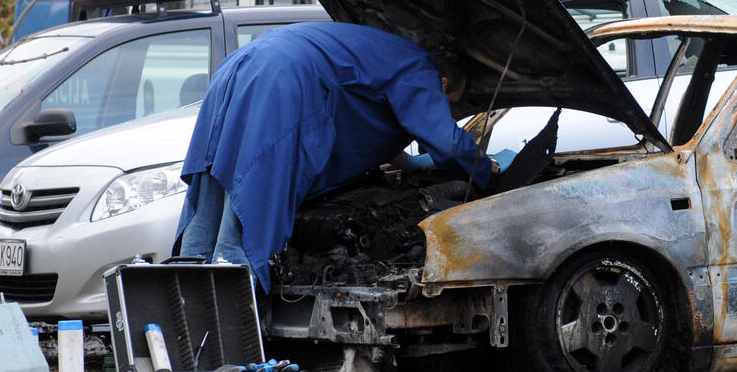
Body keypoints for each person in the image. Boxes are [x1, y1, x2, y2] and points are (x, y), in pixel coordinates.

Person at [175, 21, 508, 293]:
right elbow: (446, 141)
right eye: (449, 102)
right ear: (444, 82)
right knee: (249, 215)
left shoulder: (386, 54)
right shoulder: (419, 68)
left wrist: (407, 164)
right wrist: (486, 169)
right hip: (281, 79)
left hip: (239, 66)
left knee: (213, 193)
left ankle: (185, 312)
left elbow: (364, 115)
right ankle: (238, 329)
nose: (443, 107)